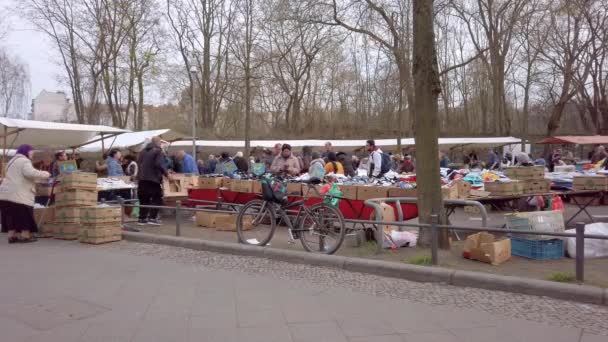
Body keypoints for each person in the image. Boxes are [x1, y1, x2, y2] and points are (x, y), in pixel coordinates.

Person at [0, 144, 51, 243]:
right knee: (24, 215)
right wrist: (46, 174)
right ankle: (25, 236)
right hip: (19, 195)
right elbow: (30, 173)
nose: (32, 154)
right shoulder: (24, 161)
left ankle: (12, 236)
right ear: (26, 151)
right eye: (31, 152)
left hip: (6, 194)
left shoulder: (11, 161)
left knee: (11, 216)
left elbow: (20, 176)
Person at [137, 136, 169, 225]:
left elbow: (139, 162)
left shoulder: (143, 151)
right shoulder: (158, 151)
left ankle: (142, 218)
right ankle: (152, 218)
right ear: (158, 142)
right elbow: (159, 164)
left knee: (144, 199)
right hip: (153, 179)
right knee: (157, 198)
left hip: (142, 179)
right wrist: (167, 174)